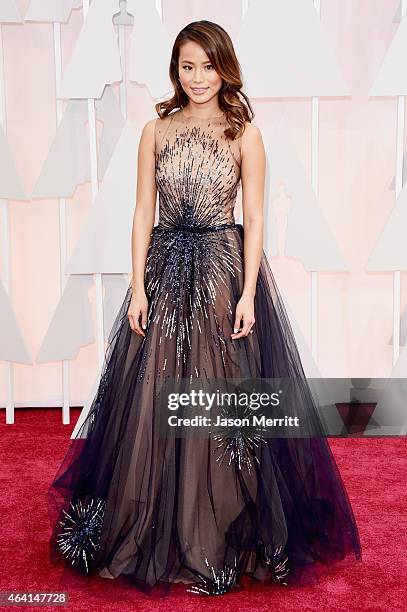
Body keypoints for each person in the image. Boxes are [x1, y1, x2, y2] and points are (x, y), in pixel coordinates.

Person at [47, 20, 362, 598]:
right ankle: (153, 525)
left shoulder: (246, 134)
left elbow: (258, 218)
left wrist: (247, 293)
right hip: (165, 274)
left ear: (225, 68)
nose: (198, 78)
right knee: (151, 398)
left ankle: (221, 530)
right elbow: (143, 211)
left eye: (208, 66)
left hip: (222, 272)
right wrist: (137, 285)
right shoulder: (155, 130)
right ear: (176, 70)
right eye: (187, 66)